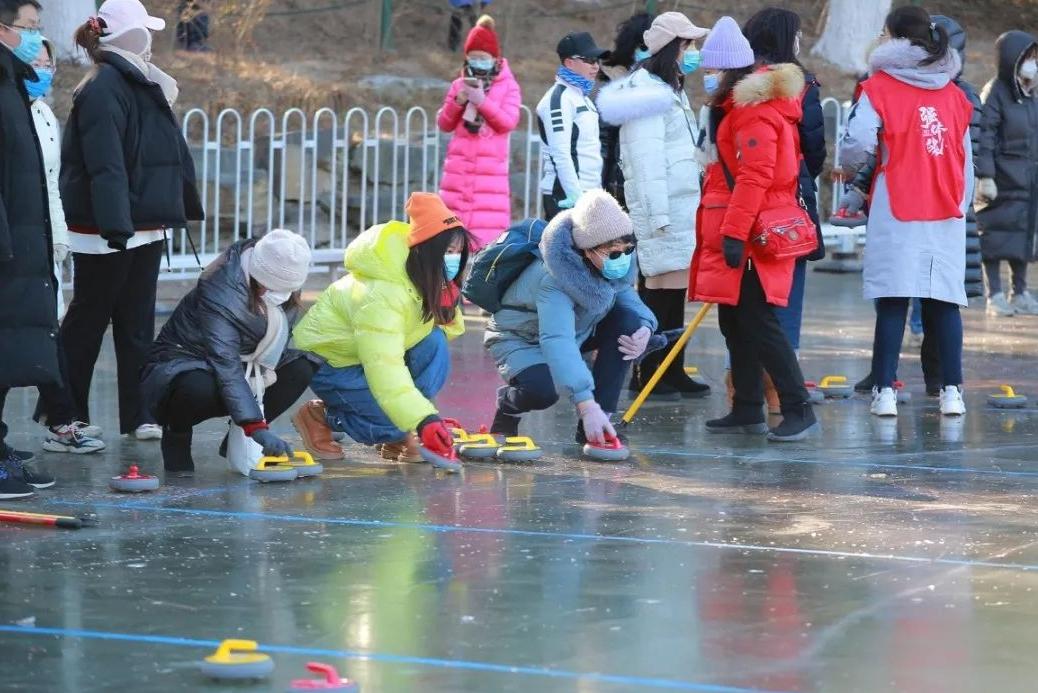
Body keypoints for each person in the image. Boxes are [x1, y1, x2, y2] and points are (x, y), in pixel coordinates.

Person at [53, 0, 203, 442]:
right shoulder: (103, 86)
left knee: (137, 326)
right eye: (144, 31)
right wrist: (116, 226)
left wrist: (168, 210)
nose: (151, 40)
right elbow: (106, 166)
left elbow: (163, 157)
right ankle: (63, 414)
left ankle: (140, 414)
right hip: (107, 230)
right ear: (123, 37)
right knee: (88, 323)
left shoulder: (143, 82)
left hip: (142, 225)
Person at [688, 16, 818, 442]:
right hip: (739, 224)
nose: (706, 77)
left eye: (711, 70)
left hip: (750, 230)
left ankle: (798, 406)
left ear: (728, 71)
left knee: (760, 321)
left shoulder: (752, 112)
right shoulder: (737, 108)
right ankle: (746, 406)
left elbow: (756, 176)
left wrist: (733, 232)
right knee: (735, 321)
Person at [839, 6, 973, 418]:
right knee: (944, 301)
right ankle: (952, 391)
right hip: (946, 208)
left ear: (894, 37)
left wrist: (851, 169)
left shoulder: (879, 86)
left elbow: (857, 141)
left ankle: (885, 392)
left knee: (893, 301)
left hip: (897, 202)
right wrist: (961, 204)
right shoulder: (955, 93)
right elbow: (966, 160)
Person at [293, 193, 468, 464]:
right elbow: (384, 366)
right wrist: (423, 420)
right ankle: (319, 416)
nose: (453, 259)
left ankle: (400, 432)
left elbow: (440, 338)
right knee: (400, 420)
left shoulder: (430, 277)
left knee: (434, 341)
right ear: (427, 250)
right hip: (332, 361)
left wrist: (445, 309)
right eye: (447, 252)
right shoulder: (384, 294)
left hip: (369, 356)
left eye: (458, 252)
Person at [485, 190, 657, 444]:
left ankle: (601, 422)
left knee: (628, 323)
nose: (622, 259)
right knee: (542, 392)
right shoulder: (553, 278)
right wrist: (585, 405)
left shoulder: (605, 263)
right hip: (522, 338)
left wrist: (645, 328)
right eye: (614, 253)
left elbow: (628, 299)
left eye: (627, 250)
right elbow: (557, 339)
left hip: (575, 331)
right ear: (588, 251)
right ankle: (508, 409)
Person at [597, 11, 709, 401]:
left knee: (672, 290)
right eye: (687, 44)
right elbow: (644, 163)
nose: (692, 52)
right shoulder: (648, 95)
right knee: (657, 291)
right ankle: (650, 373)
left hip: (679, 205)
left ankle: (670, 370)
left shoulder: (670, 88)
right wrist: (657, 216)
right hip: (663, 208)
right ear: (671, 48)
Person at [141, 230, 317, 474]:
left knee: (301, 368)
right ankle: (177, 437)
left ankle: (238, 438)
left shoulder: (284, 270)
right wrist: (256, 426)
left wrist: (254, 420)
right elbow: (226, 363)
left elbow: (274, 347)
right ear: (258, 274)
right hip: (188, 359)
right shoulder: (220, 291)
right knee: (195, 387)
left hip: (245, 362)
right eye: (272, 286)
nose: (278, 294)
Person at [26, 37, 106, 456]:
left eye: (47, 62)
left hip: (43, 242)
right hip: (19, 244)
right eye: (35, 61)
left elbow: (52, 187)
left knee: (47, 332)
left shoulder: (43, 113)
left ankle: (61, 420)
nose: (43, 69)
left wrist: (59, 238)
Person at [0, 0, 60, 497]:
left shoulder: (12, 85)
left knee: (10, 349)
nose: (37, 40)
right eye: (28, 28)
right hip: (7, 249)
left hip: (20, 242)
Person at [743, 9, 827, 360]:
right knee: (788, 287)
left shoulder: (738, 82)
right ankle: (781, 383)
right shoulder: (801, 85)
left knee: (747, 295)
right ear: (783, 39)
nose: (800, 41)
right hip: (791, 202)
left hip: (744, 201)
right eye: (796, 34)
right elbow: (815, 150)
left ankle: (743, 375)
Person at [437, 15, 521, 249]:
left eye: (482, 58)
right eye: (472, 58)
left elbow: (507, 122)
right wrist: (458, 101)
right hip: (458, 174)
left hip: (489, 177)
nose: (477, 63)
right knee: (452, 245)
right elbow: (444, 123)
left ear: (495, 59)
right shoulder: (458, 84)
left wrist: (482, 102)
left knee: (486, 243)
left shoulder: (508, 86)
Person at [975, 30, 1038, 317]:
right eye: (1029, 58)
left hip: (1027, 178)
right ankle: (995, 295)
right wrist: (985, 175)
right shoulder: (996, 91)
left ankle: (1020, 292)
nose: (1033, 64)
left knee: (1022, 236)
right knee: (994, 236)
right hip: (1001, 178)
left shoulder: (1032, 93)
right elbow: (985, 135)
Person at [536, 31, 608, 220]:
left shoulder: (583, 98)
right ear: (569, 62)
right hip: (566, 195)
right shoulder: (559, 99)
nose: (595, 66)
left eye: (597, 60)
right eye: (589, 60)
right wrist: (575, 196)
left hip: (591, 193)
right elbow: (560, 153)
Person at [597, 12, 654, 207]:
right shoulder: (614, 86)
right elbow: (603, 143)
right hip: (618, 186)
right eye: (644, 47)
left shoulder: (658, 82)